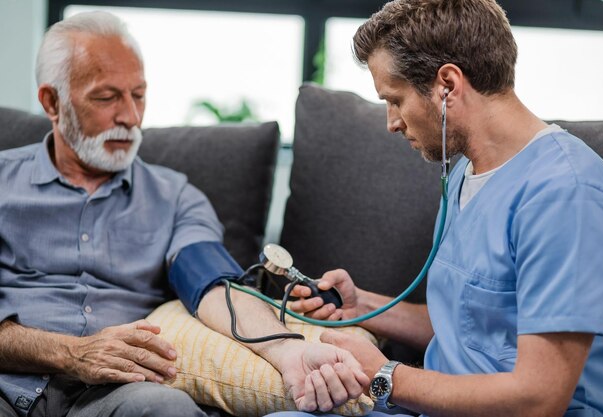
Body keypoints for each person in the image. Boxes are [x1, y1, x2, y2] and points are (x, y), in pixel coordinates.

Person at [0, 11, 368, 417]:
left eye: (138, 95)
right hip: (9, 382)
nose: (131, 117)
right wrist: (70, 353)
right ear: (52, 102)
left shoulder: (174, 197)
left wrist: (286, 350)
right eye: (106, 97)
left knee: (167, 409)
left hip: (113, 395)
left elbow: (212, 286)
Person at [280, 0, 603, 416]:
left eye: (395, 99)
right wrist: (364, 307)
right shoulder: (463, 173)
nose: (391, 121)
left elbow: (539, 399)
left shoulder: (567, 195)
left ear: (447, 84)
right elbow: (471, 331)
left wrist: (385, 375)